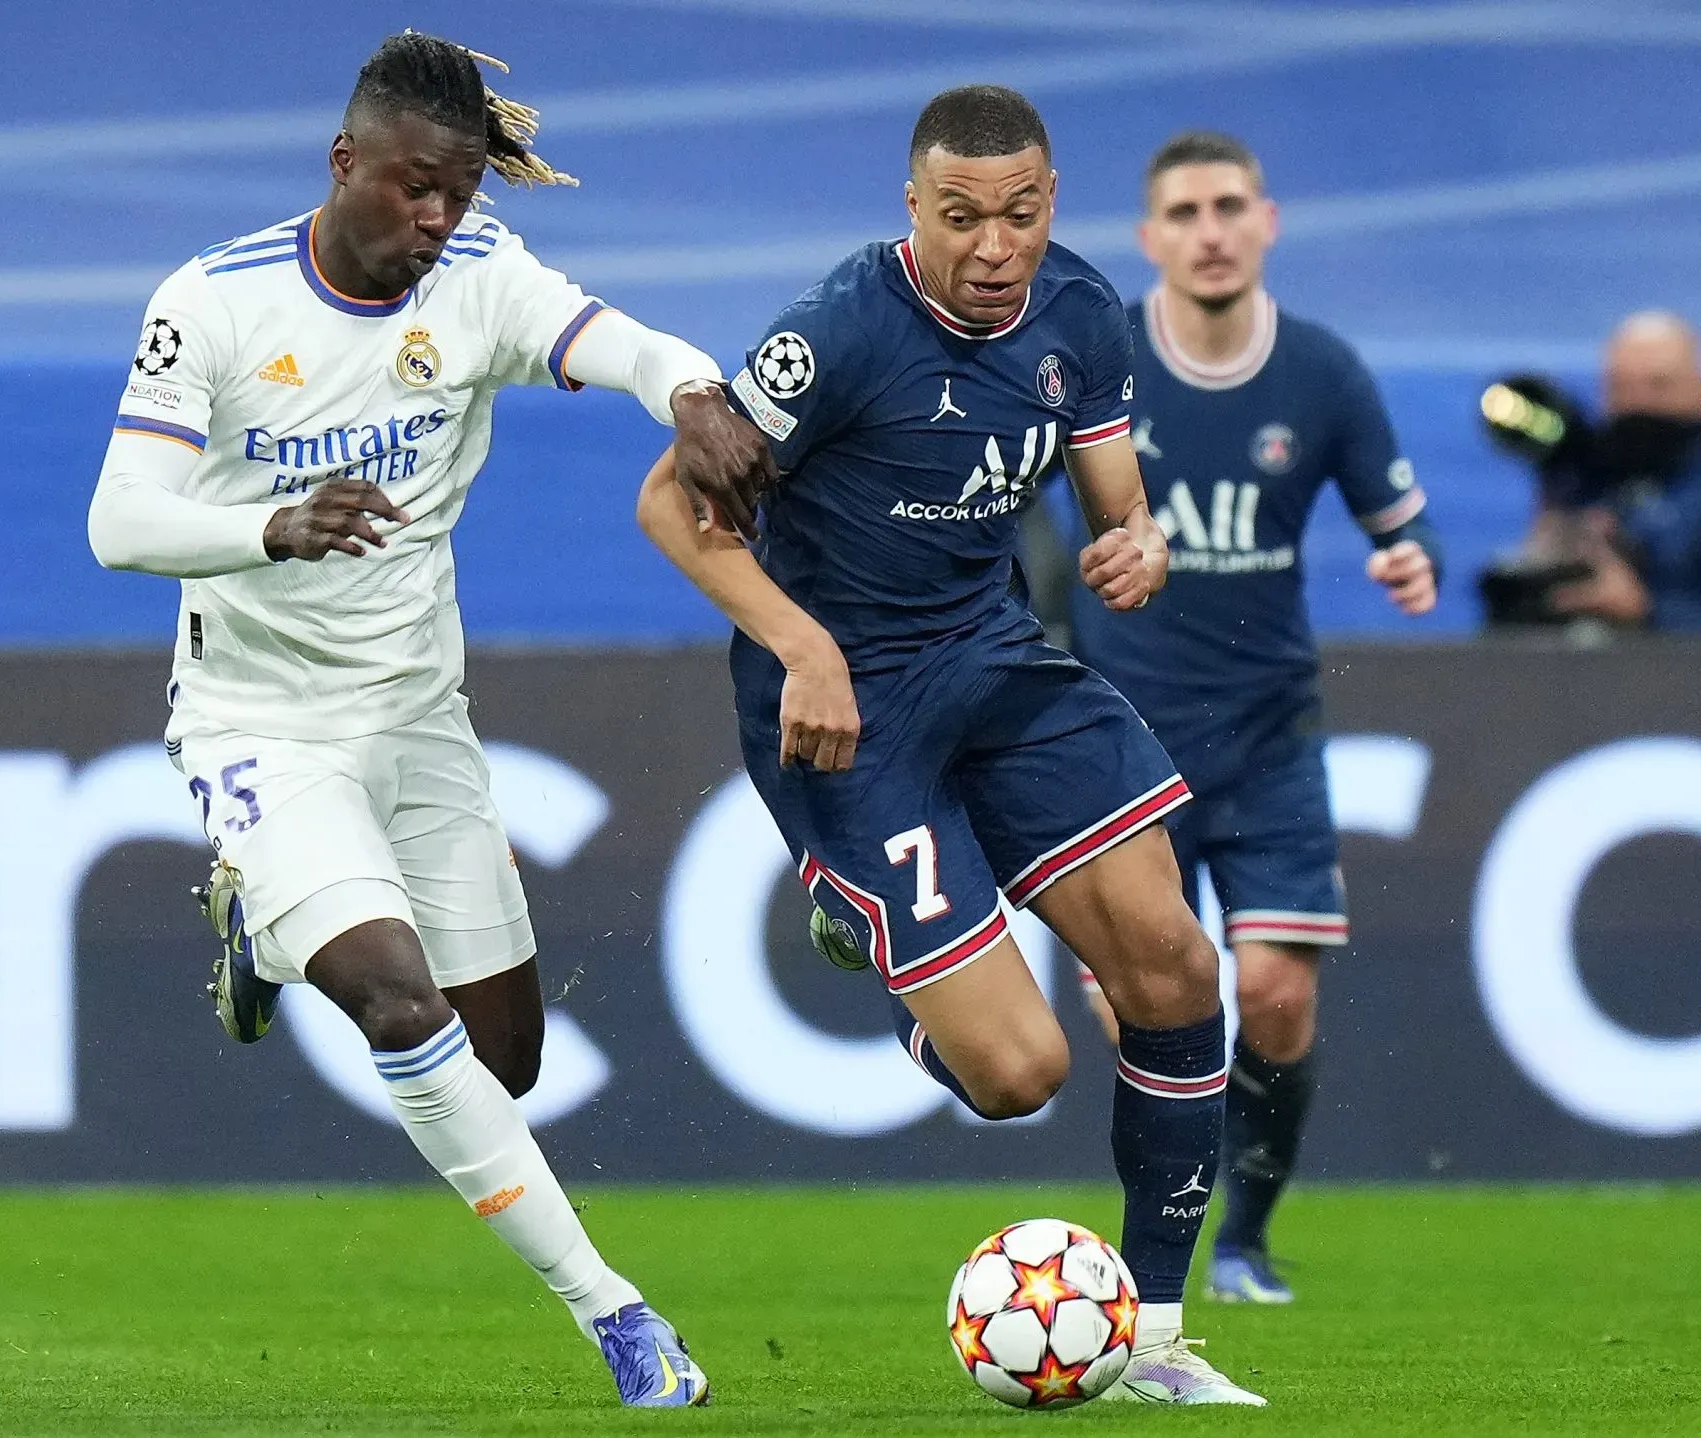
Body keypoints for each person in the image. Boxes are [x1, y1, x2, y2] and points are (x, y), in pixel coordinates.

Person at [84, 32, 771, 1408]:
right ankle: (622, 1321)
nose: (437, 217)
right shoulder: (209, 305)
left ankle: (262, 937)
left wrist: (692, 397)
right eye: (412, 188)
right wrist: (269, 526)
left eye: (457, 191)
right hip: (260, 724)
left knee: (498, 1059)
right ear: (345, 165)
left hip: (420, 722)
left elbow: (624, 340)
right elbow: (117, 523)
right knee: (398, 1000)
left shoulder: (478, 282)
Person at [636, 86, 1262, 1407]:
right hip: (844, 699)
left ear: (1051, 204)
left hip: (995, 656)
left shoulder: (1080, 315)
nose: (995, 246)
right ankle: (880, 936)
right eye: (963, 216)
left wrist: (1138, 540)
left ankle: (1148, 1328)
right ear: (911, 207)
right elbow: (671, 503)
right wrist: (803, 646)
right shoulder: (840, 332)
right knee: (1019, 1074)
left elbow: (1116, 499)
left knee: (1174, 961)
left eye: (1021, 214)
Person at [1057, 131, 1442, 1306]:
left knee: (1273, 990)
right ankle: (1157, 1250)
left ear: (1267, 222)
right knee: (1142, 1005)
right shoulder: (1096, 360)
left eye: (1229, 206)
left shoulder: (1321, 372)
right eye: (1184, 211)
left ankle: (1245, 1240)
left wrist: (1406, 564)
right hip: (1125, 739)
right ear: (1149, 237)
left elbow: (1398, 521)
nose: (1209, 229)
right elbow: (1010, 505)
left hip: (1270, 730)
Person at [1479, 312, 1701, 631]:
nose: (1638, 403)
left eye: (1659, 384)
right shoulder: (1596, 477)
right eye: (1620, 387)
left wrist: (1646, 609)